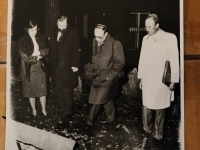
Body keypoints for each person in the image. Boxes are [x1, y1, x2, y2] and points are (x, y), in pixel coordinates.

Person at [137, 14, 179, 140]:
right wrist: (141, 78)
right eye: (146, 26)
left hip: (161, 79)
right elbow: (142, 59)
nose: (147, 29)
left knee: (160, 106)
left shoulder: (169, 37)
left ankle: (158, 132)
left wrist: (174, 79)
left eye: (150, 27)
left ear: (157, 25)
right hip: (148, 78)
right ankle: (147, 128)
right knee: (147, 105)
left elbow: (174, 60)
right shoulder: (145, 39)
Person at [86, 23, 125, 127]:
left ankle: (89, 121)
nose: (97, 39)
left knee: (98, 99)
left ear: (106, 33)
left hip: (108, 77)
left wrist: (109, 76)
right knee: (107, 98)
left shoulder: (115, 43)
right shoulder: (95, 40)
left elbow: (120, 62)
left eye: (100, 37)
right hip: (97, 76)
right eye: (95, 36)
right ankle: (112, 120)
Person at [49, 15, 80, 119]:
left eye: (64, 25)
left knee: (67, 88)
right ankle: (61, 108)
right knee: (58, 88)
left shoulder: (73, 32)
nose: (61, 27)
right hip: (56, 65)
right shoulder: (53, 30)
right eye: (59, 25)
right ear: (57, 23)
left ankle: (68, 110)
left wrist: (75, 65)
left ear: (67, 23)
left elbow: (77, 50)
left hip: (68, 65)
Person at [18, 20, 49, 118]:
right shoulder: (22, 40)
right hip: (28, 68)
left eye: (36, 29)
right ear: (27, 30)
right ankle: (34, 110)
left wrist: (40, 54)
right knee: (31, 90)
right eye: (32, 30)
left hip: (40, 66)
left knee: (42, 89)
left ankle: (44, 110)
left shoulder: (40, 37)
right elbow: (26, 58)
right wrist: (37, 56)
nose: (35, 32)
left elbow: (47, 49)